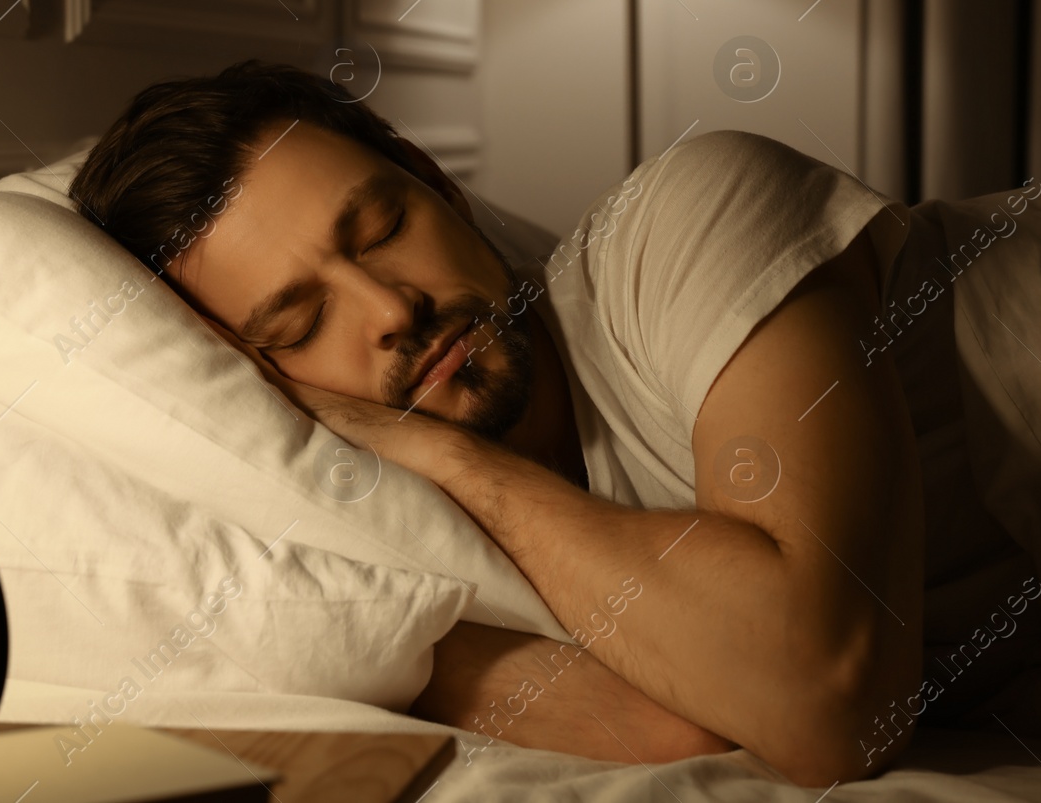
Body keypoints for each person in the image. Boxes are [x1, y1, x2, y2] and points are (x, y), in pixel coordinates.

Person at [70, 59, 928, 786]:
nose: (388, 308)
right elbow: (691, 733)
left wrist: (455, 459)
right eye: (299, 324)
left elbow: (830, 700)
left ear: (435, 181)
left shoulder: (694, 214)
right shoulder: (386, 542)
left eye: (383, 229)